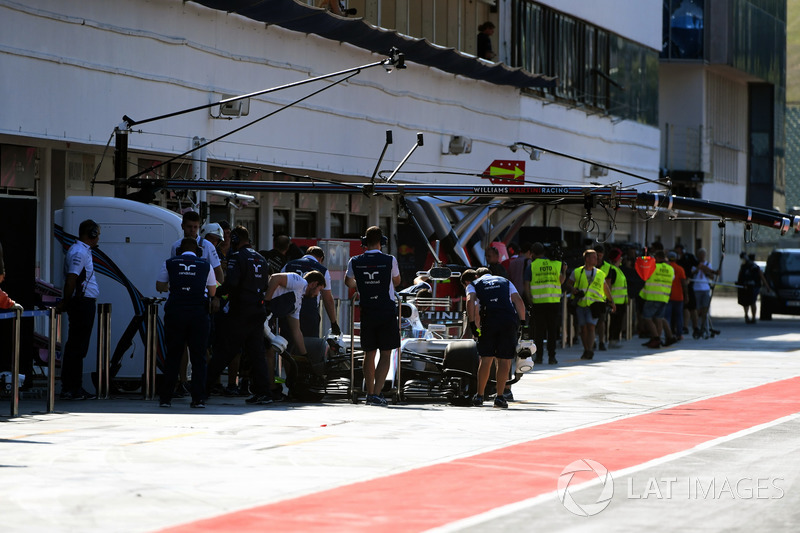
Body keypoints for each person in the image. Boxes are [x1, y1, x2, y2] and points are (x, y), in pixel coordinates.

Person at [207, 226, 272, 405]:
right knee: (257, 354)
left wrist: (217, 293)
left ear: (236, 239)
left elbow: (232, 283)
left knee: (224, 351)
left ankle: (202, 389)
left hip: (241, 311)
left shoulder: (237, 256)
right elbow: (265, 284)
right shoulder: (260, 257)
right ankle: (264, 392)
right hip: (258, 310)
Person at [156, 238, 216, 408]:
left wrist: (175, 287)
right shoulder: (206, 266)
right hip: (198, 314)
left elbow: (160, 285)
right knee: (198, 357)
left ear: (179, 251)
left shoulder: (169, 263)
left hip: (175, 312)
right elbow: (212, 291)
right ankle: (198, 399)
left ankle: (166, 398)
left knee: (173, 355)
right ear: (198, 251)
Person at [345, 226, 401, 407]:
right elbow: (397, 281)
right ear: (382, 242)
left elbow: (349, 282)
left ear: (364, 242)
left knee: (369, 353)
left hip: (367, 310)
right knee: (386, 353)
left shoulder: (354, 260)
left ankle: (369, 393)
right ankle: (377, 394)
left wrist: (363, 283)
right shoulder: (389, 259)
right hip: (386, 310)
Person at [467, 267, 526, 409]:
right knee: (505, 360)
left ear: (477, 275)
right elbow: (518, 301)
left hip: (489, 321)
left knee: (486, 358)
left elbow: (470, 301)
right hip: (508, 321)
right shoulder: (505, 281)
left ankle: (479, 396)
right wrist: (523, 323)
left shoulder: (474, 284)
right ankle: (500, 397)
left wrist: (472, 325)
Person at [56, 219, 101, 400]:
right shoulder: (79, 252)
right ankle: (71, 388)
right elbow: (71, 279)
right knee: (76, 347)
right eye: (97, 234)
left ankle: (74, 387)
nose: (98, 238)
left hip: (83, 302)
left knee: (79, 347)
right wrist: (66, 302)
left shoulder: (82, 250)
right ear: (90, 234)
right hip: (82, 303)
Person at [565, 249, 616, 360]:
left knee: (591, 327)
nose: (596, 259)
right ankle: (586, 349)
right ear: (587, 259)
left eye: (596, 257)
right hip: (581, 304)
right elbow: (568, 284)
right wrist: (573, 289)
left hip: (594, 304)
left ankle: (590, 350)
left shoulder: (600, 273)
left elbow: (605, 288)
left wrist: (611, 301)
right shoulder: (577, 272)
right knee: (583, 328)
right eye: (593, 257)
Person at [282, 246, 340, 337]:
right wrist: (333, 322)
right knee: (309, 345)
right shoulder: (322, 270)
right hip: (309, 312)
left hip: (288, 309)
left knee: (287, 343)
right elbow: (327, 298)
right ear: (320, 259)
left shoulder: (289, 265)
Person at [524, 242, 565, 365]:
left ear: (532, 253)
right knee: (552, 331)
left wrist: (530, 300)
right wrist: (565, 271)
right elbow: (561, 281)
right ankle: (552, 357)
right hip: (553, 302)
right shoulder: (557, 264)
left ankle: (539, 357)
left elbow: (526, 285)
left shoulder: (531, 266)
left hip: (538, 303)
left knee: (539, 332)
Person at [170, 211, 223, 284]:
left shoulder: (208, 246)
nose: (192, 230)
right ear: (182, 226)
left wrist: (217, 292)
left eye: (195, 227)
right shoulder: (176, 246)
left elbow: (218, 271)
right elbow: (172, 270)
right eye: (189, 226)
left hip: (202, 291)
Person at [639, 250, 677, 348]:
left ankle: (656, 338)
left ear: (658, 258)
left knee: (647, 318)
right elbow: (672, 279)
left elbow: (644, 273)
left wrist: (645, 258)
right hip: (664, 297)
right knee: (659, 318)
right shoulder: (670, 269)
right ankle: (659, 338)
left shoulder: (653, 266)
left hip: (652, 296)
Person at [605, 248, 628, 348]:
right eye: (620, 257)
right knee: (614, 323)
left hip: (621, 301)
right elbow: (609, 285)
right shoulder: (612, 270)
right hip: (615, 302)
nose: (622, 259)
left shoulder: (617, 270)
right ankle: (612, 340)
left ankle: (615, 340)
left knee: (617, 322)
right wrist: (610, 301)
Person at [692, 248, 717, 338]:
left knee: (705, 308)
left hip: (705, 288)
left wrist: (707, 272)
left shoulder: (707, 265)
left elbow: (712, 276)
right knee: (697, 309)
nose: (702, 257)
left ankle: (704, 326)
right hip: (696, 288)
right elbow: (691, 273)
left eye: (703, 255)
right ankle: (696, 327)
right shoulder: (694, 264)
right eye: (700, 255)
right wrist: (697, 270)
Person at [675, 244, 699, 335]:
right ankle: (685, 326)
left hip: (688, 285)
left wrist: (693, 273)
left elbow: (699, 265)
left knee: (692, 308)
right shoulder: (676, 260)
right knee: (685, 308)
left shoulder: (688, 257)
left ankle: (695, 327)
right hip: (680, 286)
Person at [737, 253, 767, 323]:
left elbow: (739, 275)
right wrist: (767, 286)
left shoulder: (745, 266)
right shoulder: (755, 267)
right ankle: (752, 317)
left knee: (746, 302)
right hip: (753, 287)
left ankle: (747, 315)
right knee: (752, 302)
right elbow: (762, 277)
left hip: (746, 286)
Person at [665, 251, 688, 338]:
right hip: (678, 296)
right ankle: (679, 334)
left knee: (667, 316)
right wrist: (686, 295)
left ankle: (668, 333)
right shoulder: (680, 269)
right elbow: (684, 283)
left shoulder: (666, 268)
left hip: (667, 296)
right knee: (679, 316)